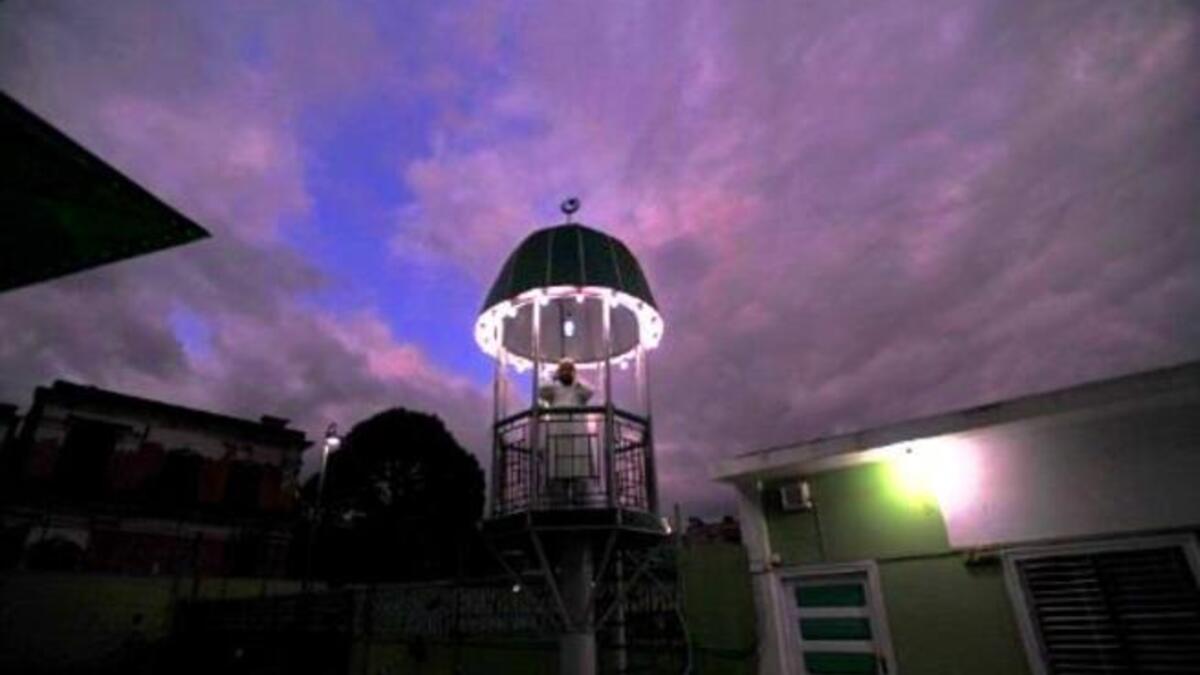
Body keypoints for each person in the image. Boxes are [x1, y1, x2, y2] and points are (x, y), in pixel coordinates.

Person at [537, 359, 595, 490]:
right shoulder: (554, 388)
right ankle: (559, 489)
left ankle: (576, 489)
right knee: (559, 459)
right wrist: (554, 378)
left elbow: (590, 392)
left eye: (569, 369)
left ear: (574, 372)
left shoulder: (578, 387)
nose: (566, 372)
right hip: (558, 430)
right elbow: (541, 391)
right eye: (563, 369)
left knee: (576, 460)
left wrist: (576, 380)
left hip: (576, 430)